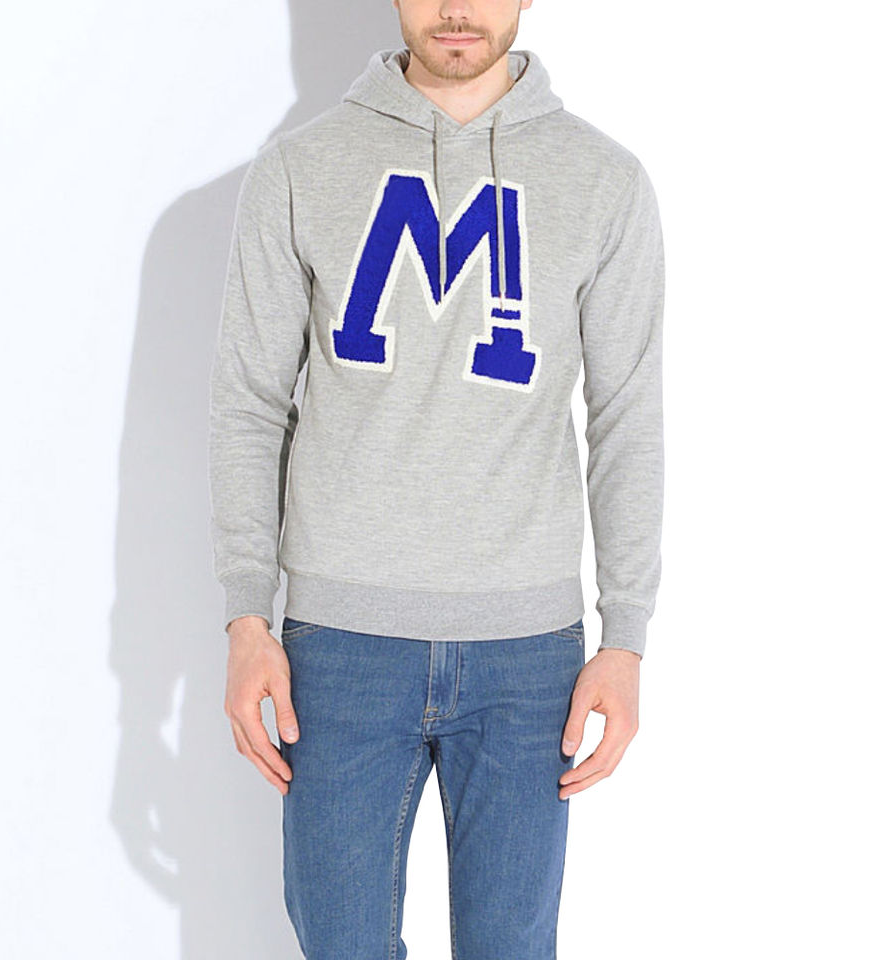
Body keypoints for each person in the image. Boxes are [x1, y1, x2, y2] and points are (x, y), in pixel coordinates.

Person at [208, 2, 664, 956]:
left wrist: (626, 637)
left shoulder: (604, 181)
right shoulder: (299, 169)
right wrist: (248, 618)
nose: (457, 8)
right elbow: (252, 402)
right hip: (337, 648)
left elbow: (625, 418)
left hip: (528, 657)